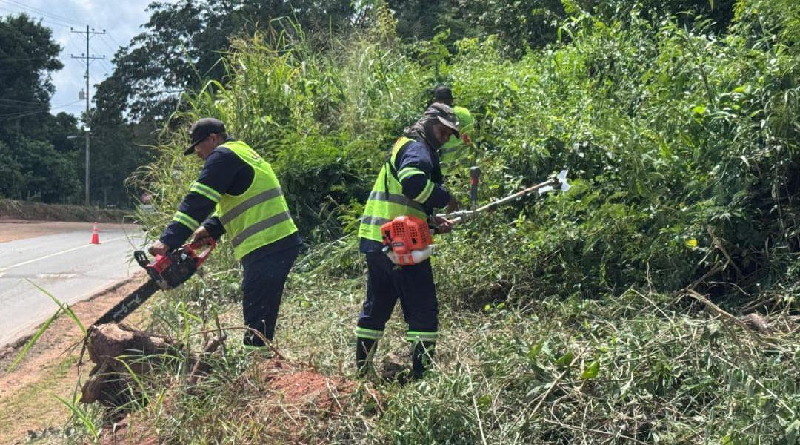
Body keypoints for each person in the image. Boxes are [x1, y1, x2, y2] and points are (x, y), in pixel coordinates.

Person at [148, 118, 302, 347]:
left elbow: (198, 201)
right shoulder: (241, 152)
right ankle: (262, 361)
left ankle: (256, 366)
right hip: (276, 241)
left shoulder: (222, 157)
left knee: (257, 311)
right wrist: (210, 228)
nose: (198, 154)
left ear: (213, 138)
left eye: (198, 146)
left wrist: (168, 240)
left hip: (268, 243)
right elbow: (240, 198)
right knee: (260, 309)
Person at [355, 103, 460, 379]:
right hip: (400, 245)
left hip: (377, 240)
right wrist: (445, 198)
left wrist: (431, 222)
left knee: (376, 307)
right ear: (429, 125)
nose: (445, 138)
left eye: (450, 134)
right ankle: (421, 379)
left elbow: (405, 203)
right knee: (423, 310)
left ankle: (362, 373)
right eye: (443, 131)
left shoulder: (405, 145)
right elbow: (412, 184)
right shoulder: (417, 147)